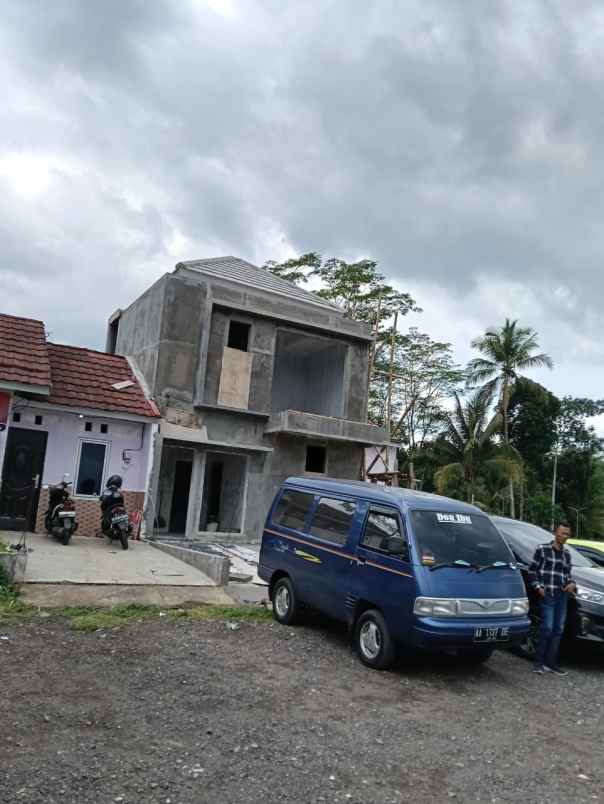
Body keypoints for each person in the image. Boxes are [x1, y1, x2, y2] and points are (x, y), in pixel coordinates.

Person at [528, 521, 576, 676]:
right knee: (547, 628)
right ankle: (538, 663)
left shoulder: (567, 554)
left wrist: (571, 584)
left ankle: (551, 663)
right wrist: (538, 587)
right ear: (556, 532)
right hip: (547, 594)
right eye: (562, 533)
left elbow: (567, 575)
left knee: (558, 629)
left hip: (562, 596)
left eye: (567, 534)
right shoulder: (542, 549)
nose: (564, 536)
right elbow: (532, 570)